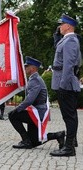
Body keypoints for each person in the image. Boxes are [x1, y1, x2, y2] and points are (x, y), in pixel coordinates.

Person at [8, 56, 65, 150]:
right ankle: (58, 135)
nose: (25, 68)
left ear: (33, 68)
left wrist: (18, 109)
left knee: (12, 115)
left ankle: (26, 141)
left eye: (27, 66)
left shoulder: (35, 80)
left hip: (38, 113)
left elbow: (30, 100)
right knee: (35, 141)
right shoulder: (34, 79)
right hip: (35, 111)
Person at [50, 14, 82, 156]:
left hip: (66, 84)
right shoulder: (67, 40)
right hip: (66, 82)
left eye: (61, 24)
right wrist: (57, 35)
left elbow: (69, 65)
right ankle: (71, 143)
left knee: (69, 116)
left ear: (68, 26)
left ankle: (69, 148)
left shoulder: (70, 41)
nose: (59, 27)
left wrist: (62, 85)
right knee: (69, 115)